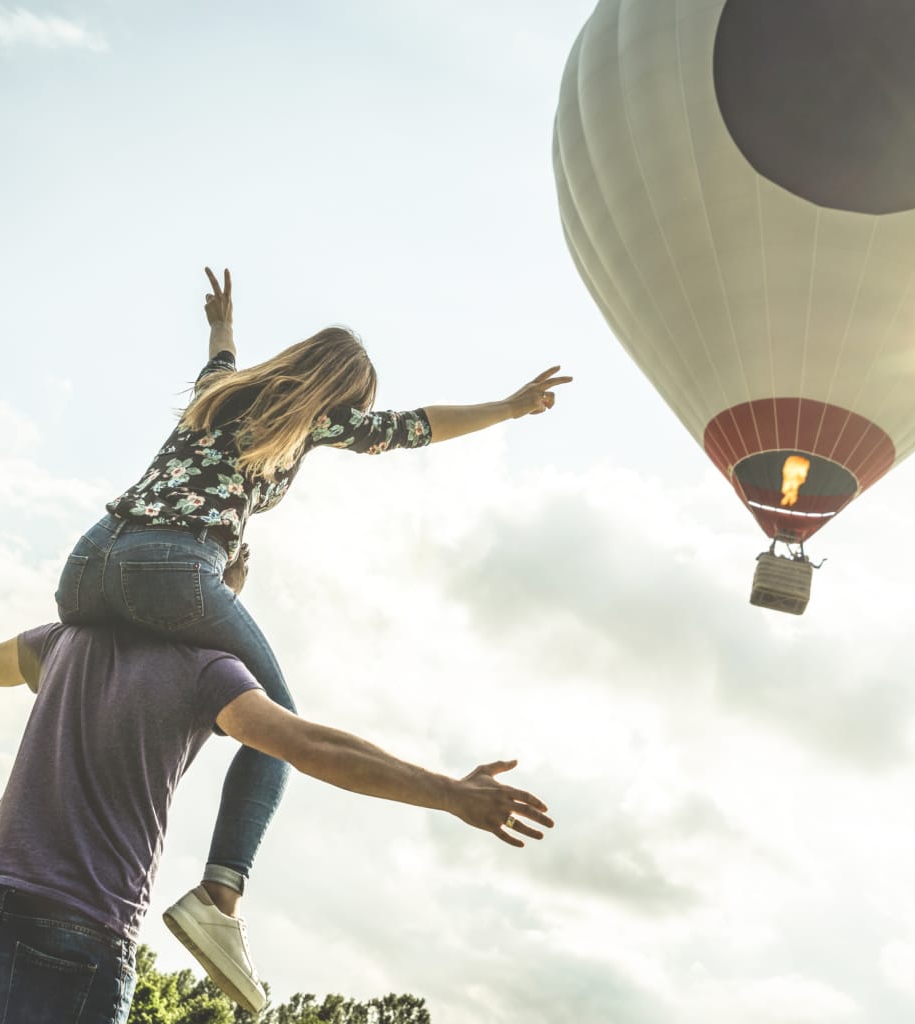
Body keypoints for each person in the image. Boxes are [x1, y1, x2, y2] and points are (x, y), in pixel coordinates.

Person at [53, 267, 571, 994]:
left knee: (126, 673)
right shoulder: (317, 414)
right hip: (172, 567)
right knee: (277, 723)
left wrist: (222, 320)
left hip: (86, 568)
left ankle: (54, 835)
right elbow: (416, 428)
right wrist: (510, 408)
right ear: (341, 394)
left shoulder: (218, 393)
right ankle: (220, 898)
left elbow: (223, 355)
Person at [0, 547, 554, 1022]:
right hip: (76, 930)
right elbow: (308, 746)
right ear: (214, 587)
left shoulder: (61, 642)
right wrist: (450, 793)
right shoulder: (204, 666)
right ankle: (222, 895)